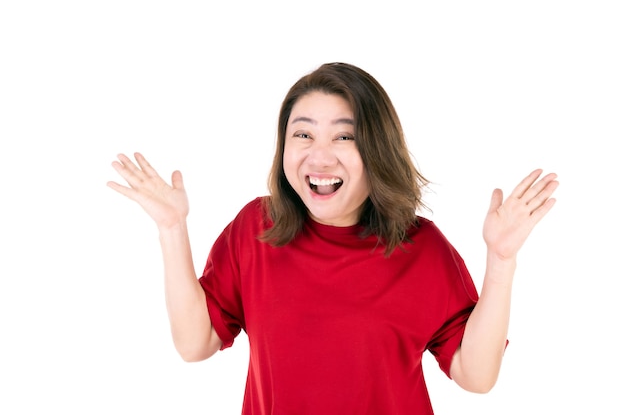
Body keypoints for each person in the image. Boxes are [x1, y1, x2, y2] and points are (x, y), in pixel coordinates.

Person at [107, 62, 559, 414]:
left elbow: (475, 376)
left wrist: (501, 261)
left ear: (376, 149)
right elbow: (195, 343)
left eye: (344, 136)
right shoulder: (256, 229)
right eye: (302, 133)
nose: (318, 156)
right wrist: (171, 229)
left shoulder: (421, 248)